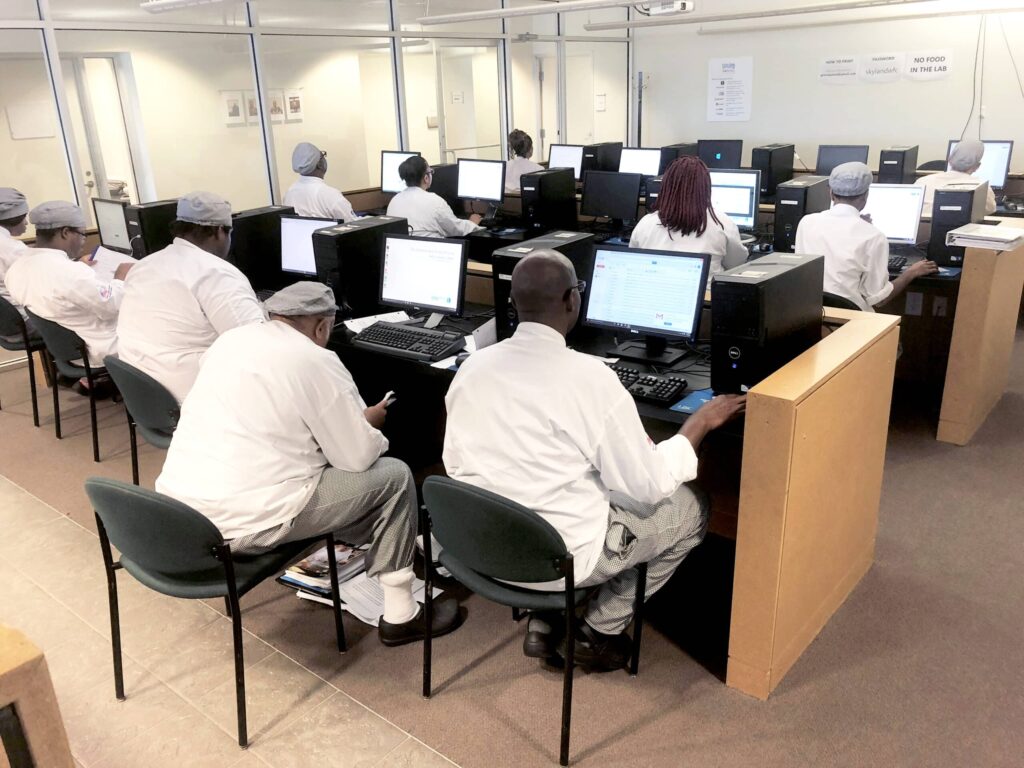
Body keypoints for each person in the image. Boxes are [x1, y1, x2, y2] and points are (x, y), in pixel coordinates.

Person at [443, 250, 746, 671]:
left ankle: (545, 616)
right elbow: (650, 484)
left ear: (513, 303)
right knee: (692, 509)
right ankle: (598, 632)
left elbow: (458, 464)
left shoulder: (471, 369)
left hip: (483, 544)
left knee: (575, 481)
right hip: (560, 557)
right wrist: (698, 424)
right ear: (573, 300)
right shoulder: (590, 379)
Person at [156, 282, 464, 645]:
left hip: (179, 515)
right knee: (394, 476)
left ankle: (370, 541)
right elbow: (357, 457)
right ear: (322, 326)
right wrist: (367, 425)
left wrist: (346, 425)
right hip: (242, 524)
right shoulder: (314, 359)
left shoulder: (231, 341)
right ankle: (401, 614)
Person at [116, 191, 265, 403]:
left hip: (143, 393)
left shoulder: (144, 266)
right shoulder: (216, 274)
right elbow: (255, 345)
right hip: (194, 394)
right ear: (219, 231)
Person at [796, 162, 937, 312]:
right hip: (852, 318)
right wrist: (911, 272)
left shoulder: (806, 222)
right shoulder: (873, 236)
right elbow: (880, 300)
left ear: (831, 193)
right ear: (866, 196)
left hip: (810, 313)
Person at [6, 201, 133, 366]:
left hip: (67, 349)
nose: (83, 241)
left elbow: (60, 284)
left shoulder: (16, 269)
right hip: (103, 348)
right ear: (65, 232)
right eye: (82, 234)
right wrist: (120, 278)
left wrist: (78, 267)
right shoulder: (69, 273)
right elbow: (112, 307)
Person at [629, 156, 748, 275]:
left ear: (666, 186)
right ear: (705, 188)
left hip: (655, 291)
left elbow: (632, 262)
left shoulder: (645, 224)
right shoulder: (721, 223)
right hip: (705, 293)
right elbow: (737, 264)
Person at [387, 155, 483, 238]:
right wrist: (472, 223)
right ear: (426, 178)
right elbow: (455, 228)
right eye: (431, 171)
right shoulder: (434, 201)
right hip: (431, 253)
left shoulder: (394, 201)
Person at [915, 139, 997, 218]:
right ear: (977, 167)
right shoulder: (981, 187)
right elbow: (990, 210)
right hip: (959, 231)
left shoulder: (922, 182)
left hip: (922, 230)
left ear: (949, 160)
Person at [283, 142, 358, 222]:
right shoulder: (330, 195)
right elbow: (353, 225)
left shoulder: (290, 193)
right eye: (322, 155)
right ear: (319, 164)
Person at [0, 188, 30, 317]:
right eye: (24, 217)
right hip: (23, 320)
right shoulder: (13, 249)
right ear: (14, 219)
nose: (27, 223)